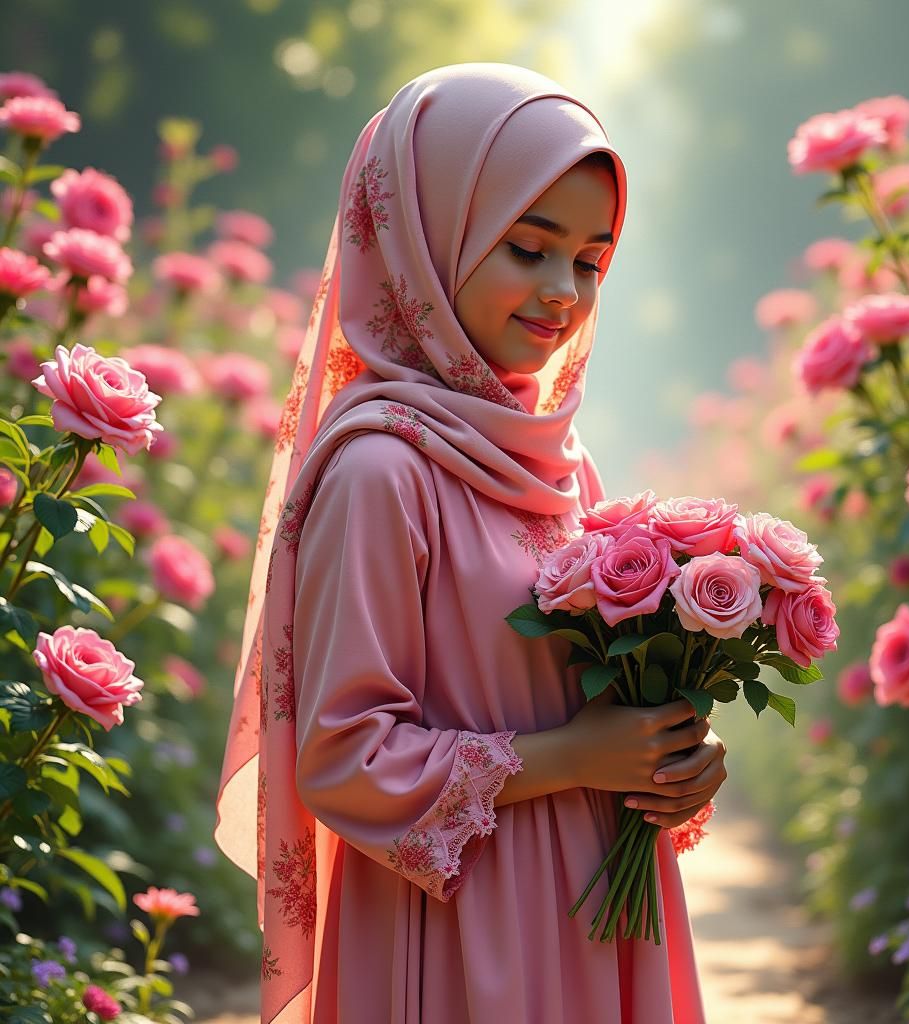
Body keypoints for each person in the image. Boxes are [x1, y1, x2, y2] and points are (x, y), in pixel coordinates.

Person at [214, 62, 727, 1023]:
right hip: (454, 935)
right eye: (528, 247)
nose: (562, 291)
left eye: (589, 259)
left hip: (599, 916)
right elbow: (343, 757)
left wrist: (672, 753)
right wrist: (574, 759)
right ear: (427, 238)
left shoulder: (559, 460)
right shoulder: (381, 473)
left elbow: (597, 703)